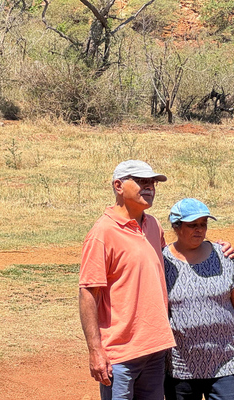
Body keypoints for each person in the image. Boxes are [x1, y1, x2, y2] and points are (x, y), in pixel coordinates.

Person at [79, 160, 175, 400]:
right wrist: (95, 351)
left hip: (155, 347)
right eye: (142, 181)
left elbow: (167, 261)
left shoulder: (152, 225)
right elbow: (88, 294)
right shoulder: (102, 233)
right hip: (119, 354)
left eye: (152, 182)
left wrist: (211, 248)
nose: (150, 187)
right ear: (119, 186)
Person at [163, 198, 234, 400]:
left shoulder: (223, 257)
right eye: (192, 225)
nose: (199, 230)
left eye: (203, 224)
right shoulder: (163, 262)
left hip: (224, 363)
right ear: (176, 227)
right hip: (180, 366)